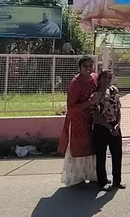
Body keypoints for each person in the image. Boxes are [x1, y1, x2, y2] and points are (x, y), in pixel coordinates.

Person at [59, 56, 99, 187]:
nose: (88, 68)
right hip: (78, 120)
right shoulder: (75, 84)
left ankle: (94, 175)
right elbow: (71, 107)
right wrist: (88, 103)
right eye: (85, 66)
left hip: (92, 119)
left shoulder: (95, 78)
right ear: (80, 68)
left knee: (93, 146)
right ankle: (76, 178)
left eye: (90, 65)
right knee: (78, 147)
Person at [92, 69, 124, 190]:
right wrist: (110, 128)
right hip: (101, 128)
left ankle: (117, 181)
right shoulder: (95, 94)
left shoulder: (114, 91)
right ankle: (103, 182)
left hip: (115, 127)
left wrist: (117, 125)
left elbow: (118, 109)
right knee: (101, 156)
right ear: (99, 79)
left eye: (109, 78)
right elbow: (96, 115)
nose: (107, 80)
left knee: (117, 155)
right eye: (104, 77)